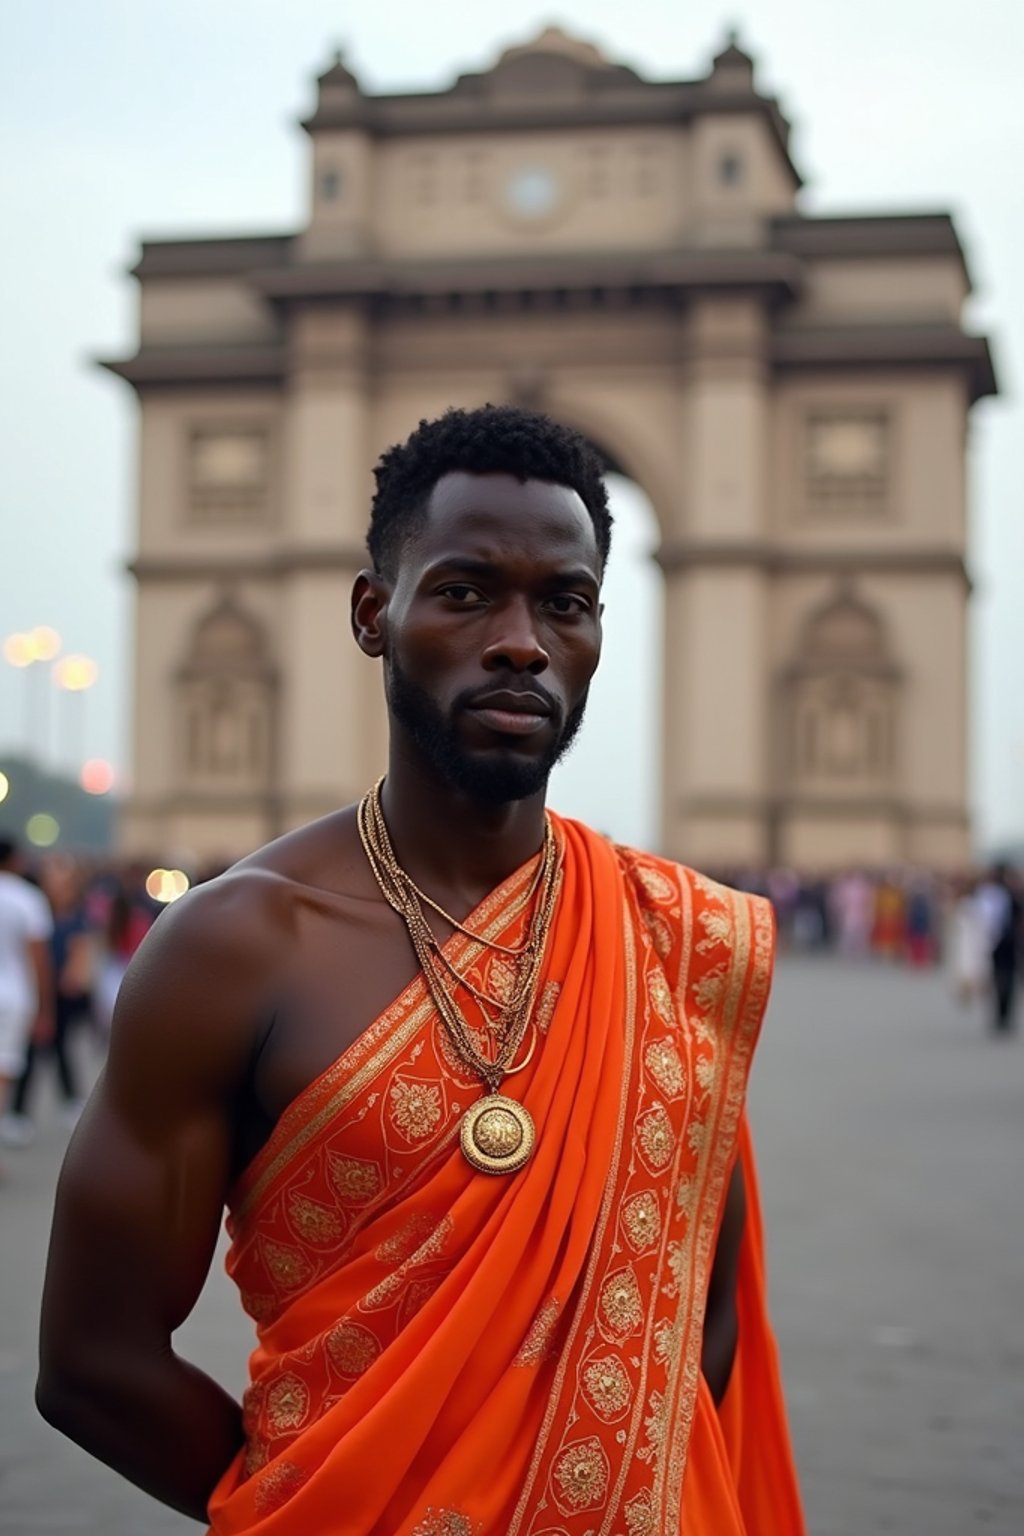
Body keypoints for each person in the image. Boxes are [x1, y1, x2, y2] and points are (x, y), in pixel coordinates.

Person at [38, 406, 805, 1534]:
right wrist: (339, 1502)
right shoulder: (236, 949)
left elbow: (700, 1323)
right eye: (464, 591)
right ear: (372, 614)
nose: (520, 641)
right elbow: (91, 1364)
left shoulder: (677, 941)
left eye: (565, 602)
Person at [3, 856, 91, 1144]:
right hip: (31, 988)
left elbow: (78, 948)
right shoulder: (33, 905)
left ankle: (69, 1100)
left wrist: (73, 974)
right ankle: (18, 1111)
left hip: (53, 989)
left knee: (59, 1047)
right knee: (22, 1055)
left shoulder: (71, 914)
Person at [0, 837, 54, 1163]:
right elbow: (38, 958)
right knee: (4, 1072)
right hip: (13, 994)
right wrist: (45, 1008)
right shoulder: (27, 898)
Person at [975, 862, 1021, 1033]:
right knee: (1006, 982)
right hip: (1007, 945)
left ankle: (1001, 1016)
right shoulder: (1009, 895)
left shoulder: (990, 895)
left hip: (998, 944)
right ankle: (1004, 1016)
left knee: (1000, 981)